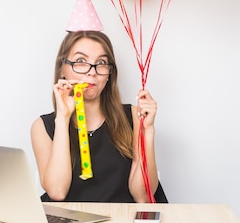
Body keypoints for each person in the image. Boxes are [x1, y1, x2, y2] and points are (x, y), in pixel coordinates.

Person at [30, 30, 167, 203]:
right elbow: (57, 192)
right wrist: (63, 119)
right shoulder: (42, 127)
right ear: (62, 69)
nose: (92, 72)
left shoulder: (133, 116)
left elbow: (143, 196)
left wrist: (147, 131)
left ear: (109, 74)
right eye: (80, 61)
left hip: (123, 222)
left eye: (101, 62)